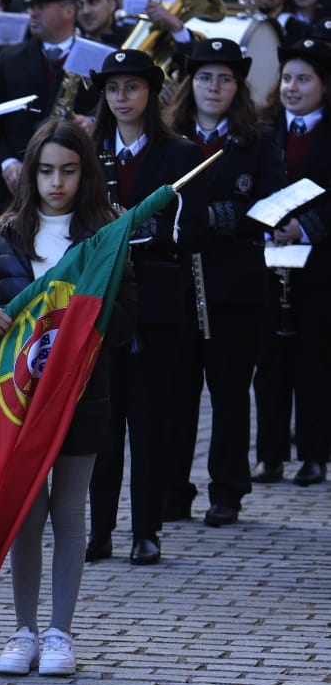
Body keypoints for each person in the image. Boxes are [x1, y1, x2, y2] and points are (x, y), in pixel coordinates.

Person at [0, 119, 135, 677]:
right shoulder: (2, 235)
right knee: (23, 512)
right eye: (47, 171)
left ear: (86, 173)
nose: (57, 183)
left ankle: (60, 633)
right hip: (14, 403)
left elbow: (126, 322)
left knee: (68, 509)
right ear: (31, 173)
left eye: (69, 171)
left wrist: (90, 316)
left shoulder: (108, 235)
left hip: (81, 395)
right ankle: (24, 629)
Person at [85, 49, 205, 567]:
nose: (122, 99)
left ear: (151, 93)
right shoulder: (88, 149)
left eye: (132, 88)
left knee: (150, 420)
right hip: (98, 303)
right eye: (113, 90)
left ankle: (147, 530)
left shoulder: (178, 153)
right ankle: (101, 529)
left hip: (154, 299)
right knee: (101, 424)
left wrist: (141, 230)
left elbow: (191, 227)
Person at [163, 39, 284, 527]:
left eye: (227, 79)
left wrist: (215, 217)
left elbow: (268, 206)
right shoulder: (168, 138)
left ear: (239, 88)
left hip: (234, 286)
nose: (216, 88)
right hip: (177, 283)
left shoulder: (257, 143)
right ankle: (172, 489)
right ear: (191, 85)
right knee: (175, 391)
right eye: (207, 78)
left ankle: (227, 491)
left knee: (230, 392)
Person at [252, 37, 331, 489]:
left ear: (324, 85)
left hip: (318, 263)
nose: (292, 88)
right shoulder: (264, 131)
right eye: (287, 79)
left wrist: (307, 227)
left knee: (313, 359)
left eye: (304, 79)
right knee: (269, 361)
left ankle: (315, 454)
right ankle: (270, 455)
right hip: (269, 259)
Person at [0, 0, 86, 191]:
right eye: (32, 6)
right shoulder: (10, 58)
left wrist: (93, 122)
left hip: (76, 185)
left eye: (41, 6)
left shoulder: (94, 56)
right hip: (16, 186)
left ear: (68, 11)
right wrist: (7, 161)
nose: (32, 13)